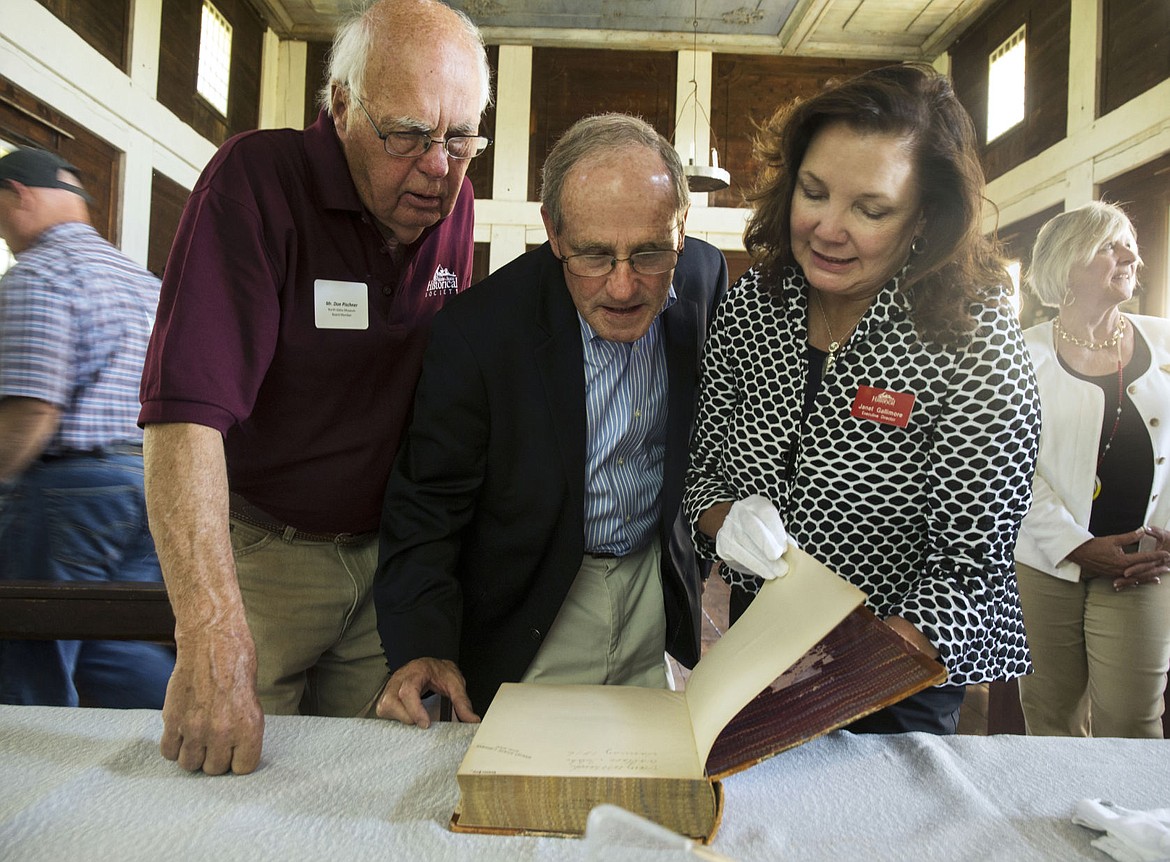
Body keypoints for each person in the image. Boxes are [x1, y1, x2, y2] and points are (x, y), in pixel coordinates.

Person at [138, 0, 492, 774]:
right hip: (266, 556)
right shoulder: (256, 184)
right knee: (226, 780)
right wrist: (209, 630)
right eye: (405, 135)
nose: (438, 167)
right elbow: (182, 419)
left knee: (362, 787)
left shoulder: (455, 203)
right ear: (340, 106)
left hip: (383, 563)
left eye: (461, 137)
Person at [682, 63, 1041, 734]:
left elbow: (971, 569)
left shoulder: (972, 336)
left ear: (924, 217)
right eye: (814, 193)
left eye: (870, 209)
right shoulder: (755, 309)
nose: (828, 228)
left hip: (894, 676)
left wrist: (846, 671)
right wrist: (721, 518)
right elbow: (697, 471)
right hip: (757, 649)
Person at [373, 113, 728, 725]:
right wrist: (422, 644)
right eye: (592, 255)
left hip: (651, 584)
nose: (622, 288)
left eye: (648, 253)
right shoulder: (480, 330)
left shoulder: (702, 276)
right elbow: (429, 502)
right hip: (533, 596)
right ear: (554, 233)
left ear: (682, 230)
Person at [0, 147, 174, 707]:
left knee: (29, 647)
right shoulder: (144, 281)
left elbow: (34, 410)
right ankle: (168, 739)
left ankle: (29, 784)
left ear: (17, 195)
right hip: (150, 485)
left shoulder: (41, 274)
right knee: (111, 642)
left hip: (72, 493)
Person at [1015, 201, 1170, 738]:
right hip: (1045, 563)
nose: (1131, 254)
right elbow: (1005, 466)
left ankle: (1132, 824)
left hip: (1142, 565)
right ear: (1065, 264)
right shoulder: (1018, 355)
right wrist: (1073, 544)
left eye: (1129, 241)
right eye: (1109, 246)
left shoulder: (1168, 340)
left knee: (1133, 722)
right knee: (1050, 717)